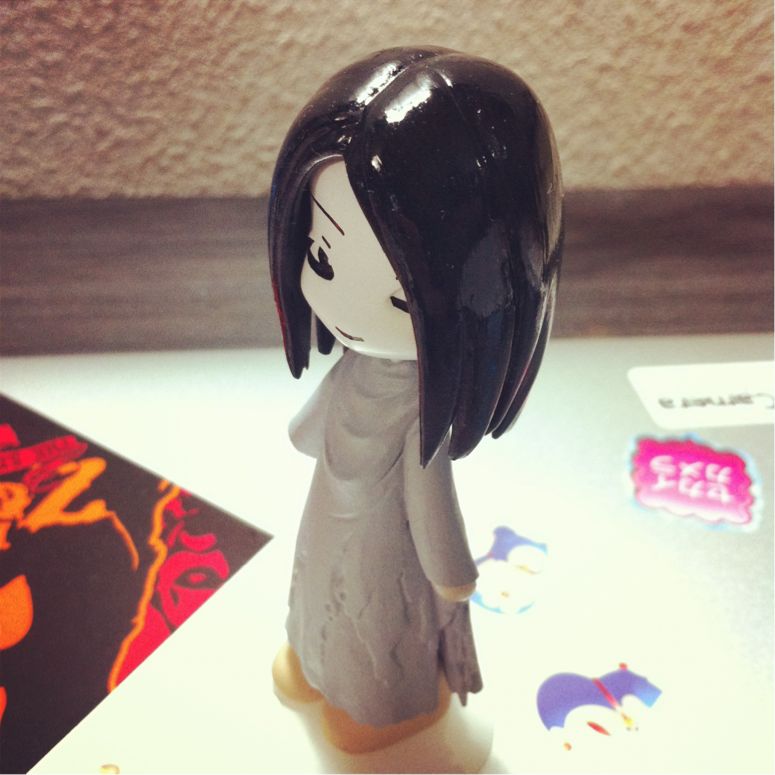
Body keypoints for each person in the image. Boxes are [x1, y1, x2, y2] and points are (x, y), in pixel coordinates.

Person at [268, 46, 563, 754]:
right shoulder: (360, 364)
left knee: (371, 614)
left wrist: (451, 575)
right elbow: (315, 425)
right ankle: (311, 663)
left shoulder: (418, 408)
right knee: (316, 587)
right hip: (330, 508)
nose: (342, 306)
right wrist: (308, 434)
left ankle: (382, 706)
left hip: (384, 539)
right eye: (321, 257)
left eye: (402, 298)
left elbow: (429, 498)